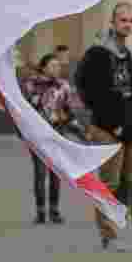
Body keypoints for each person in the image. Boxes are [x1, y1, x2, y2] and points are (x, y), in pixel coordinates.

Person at [75, 2, 132, 252]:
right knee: (110, 184)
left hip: (131, 132)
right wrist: (113, 125)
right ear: (113, 22)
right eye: (122, 20)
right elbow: (90, 91)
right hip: (107, 131)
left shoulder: (128, 56)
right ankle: (110, 235)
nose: (127, 25)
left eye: (130, 21)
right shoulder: (98, 54)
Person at [21, 52, 87, 225]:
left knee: (56, 173)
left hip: (57, 134)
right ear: (43, 67)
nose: (57, 69)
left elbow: (69, 111)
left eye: (58, 66)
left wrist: (81, 132)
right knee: (40, 172)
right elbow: (26, 108)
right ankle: (40, 211)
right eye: (53, 66)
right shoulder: (30, 84)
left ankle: (54, 210)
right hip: (37, 136)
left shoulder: (63, 86)